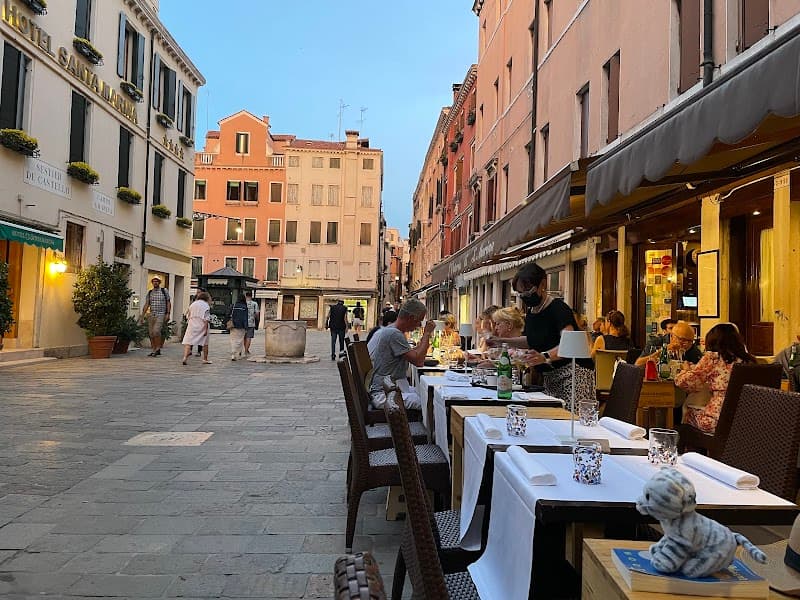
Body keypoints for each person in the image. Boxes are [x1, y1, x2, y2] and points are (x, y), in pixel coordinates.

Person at [486, 263, 594, 405]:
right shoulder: (532, 311)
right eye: (521, 293)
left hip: (573, 375)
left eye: (528, 291)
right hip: (551, 377)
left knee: (568, 420)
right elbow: (531, 340)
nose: (525, 296)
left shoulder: (558, 309)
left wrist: (545, 356)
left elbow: (568, 343)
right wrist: (501, 341)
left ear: (543, 284)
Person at [675, 323, 756, 434]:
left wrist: (685, 370)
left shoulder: (713, 358)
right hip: (748, 421)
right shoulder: (750, 361)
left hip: (719, 421)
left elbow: (686, 383)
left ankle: (696, 450)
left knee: (687, 415)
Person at [366, 298, 435, 409]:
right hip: (385, 394)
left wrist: (422, 343)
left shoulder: (393, 330)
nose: (419, 325)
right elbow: (419, 361)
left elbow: (415, 353)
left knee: (429, 395)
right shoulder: (394, 334)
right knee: (431, 404)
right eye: (419, 321)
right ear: (411, 318)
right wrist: (427, 333)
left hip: (390, 388)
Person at [636, 320, 702, 366]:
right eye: (682, 339)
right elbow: (638, 364)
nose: (686, 344)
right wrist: (662, 351)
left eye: (690, 341)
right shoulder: (656, 342)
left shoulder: (692, 348)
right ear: (672, 336)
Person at [140, 275, 171, 357]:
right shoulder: (150, 292)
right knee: (151, 333)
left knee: (156, 331)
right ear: (152, 282)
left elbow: (168, 302)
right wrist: (142, 315)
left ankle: (158, 348)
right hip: (151, 314)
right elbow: (147, 304)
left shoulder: (164, 291)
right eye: (154, 281)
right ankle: (154, 349)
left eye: (157, 281)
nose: (155, 282)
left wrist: (168, 313)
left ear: (159, 282)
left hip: (161, 314)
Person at [181, 291, 212, 365]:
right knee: (205, 343)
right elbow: (206, 319)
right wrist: (205, 330)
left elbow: (187, 315)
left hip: (192, 324)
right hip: (201, 324)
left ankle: (185, 357)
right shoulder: (206, 306)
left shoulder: (193, 304)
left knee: (188, 342)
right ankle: (205, 359)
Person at [229, 294, 248, 361]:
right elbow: (245, 318)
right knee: (240, 340)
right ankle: (237, 354)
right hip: (241, 326)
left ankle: (233, 354)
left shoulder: (233, 306)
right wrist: (246, 327)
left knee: (233, 339)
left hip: (233, 325)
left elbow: (228, 314)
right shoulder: (244, 307)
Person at [243, 291, 260, 357]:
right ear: (251, 296)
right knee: (248, 337)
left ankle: (244, 349)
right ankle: (246, 350)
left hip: (243, 322)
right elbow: (257, 313)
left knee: (243, 337)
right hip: (251, 322)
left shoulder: (243, 303)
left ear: (245, 296)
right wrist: (257, 320)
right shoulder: (254, 304)